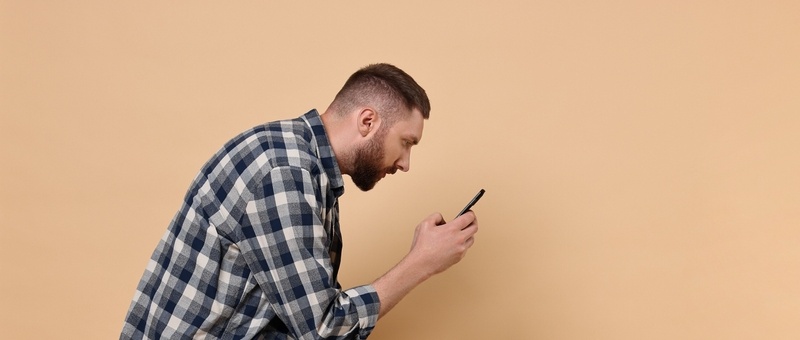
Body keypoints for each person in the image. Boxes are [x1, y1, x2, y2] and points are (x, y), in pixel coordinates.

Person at [120, 63, 479, 339]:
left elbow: (292, 318)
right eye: (406, 142)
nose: (405, 163)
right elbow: (321, 328)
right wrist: (421, 262)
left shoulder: (304, 164)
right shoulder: (284, 173)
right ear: (368, 121)